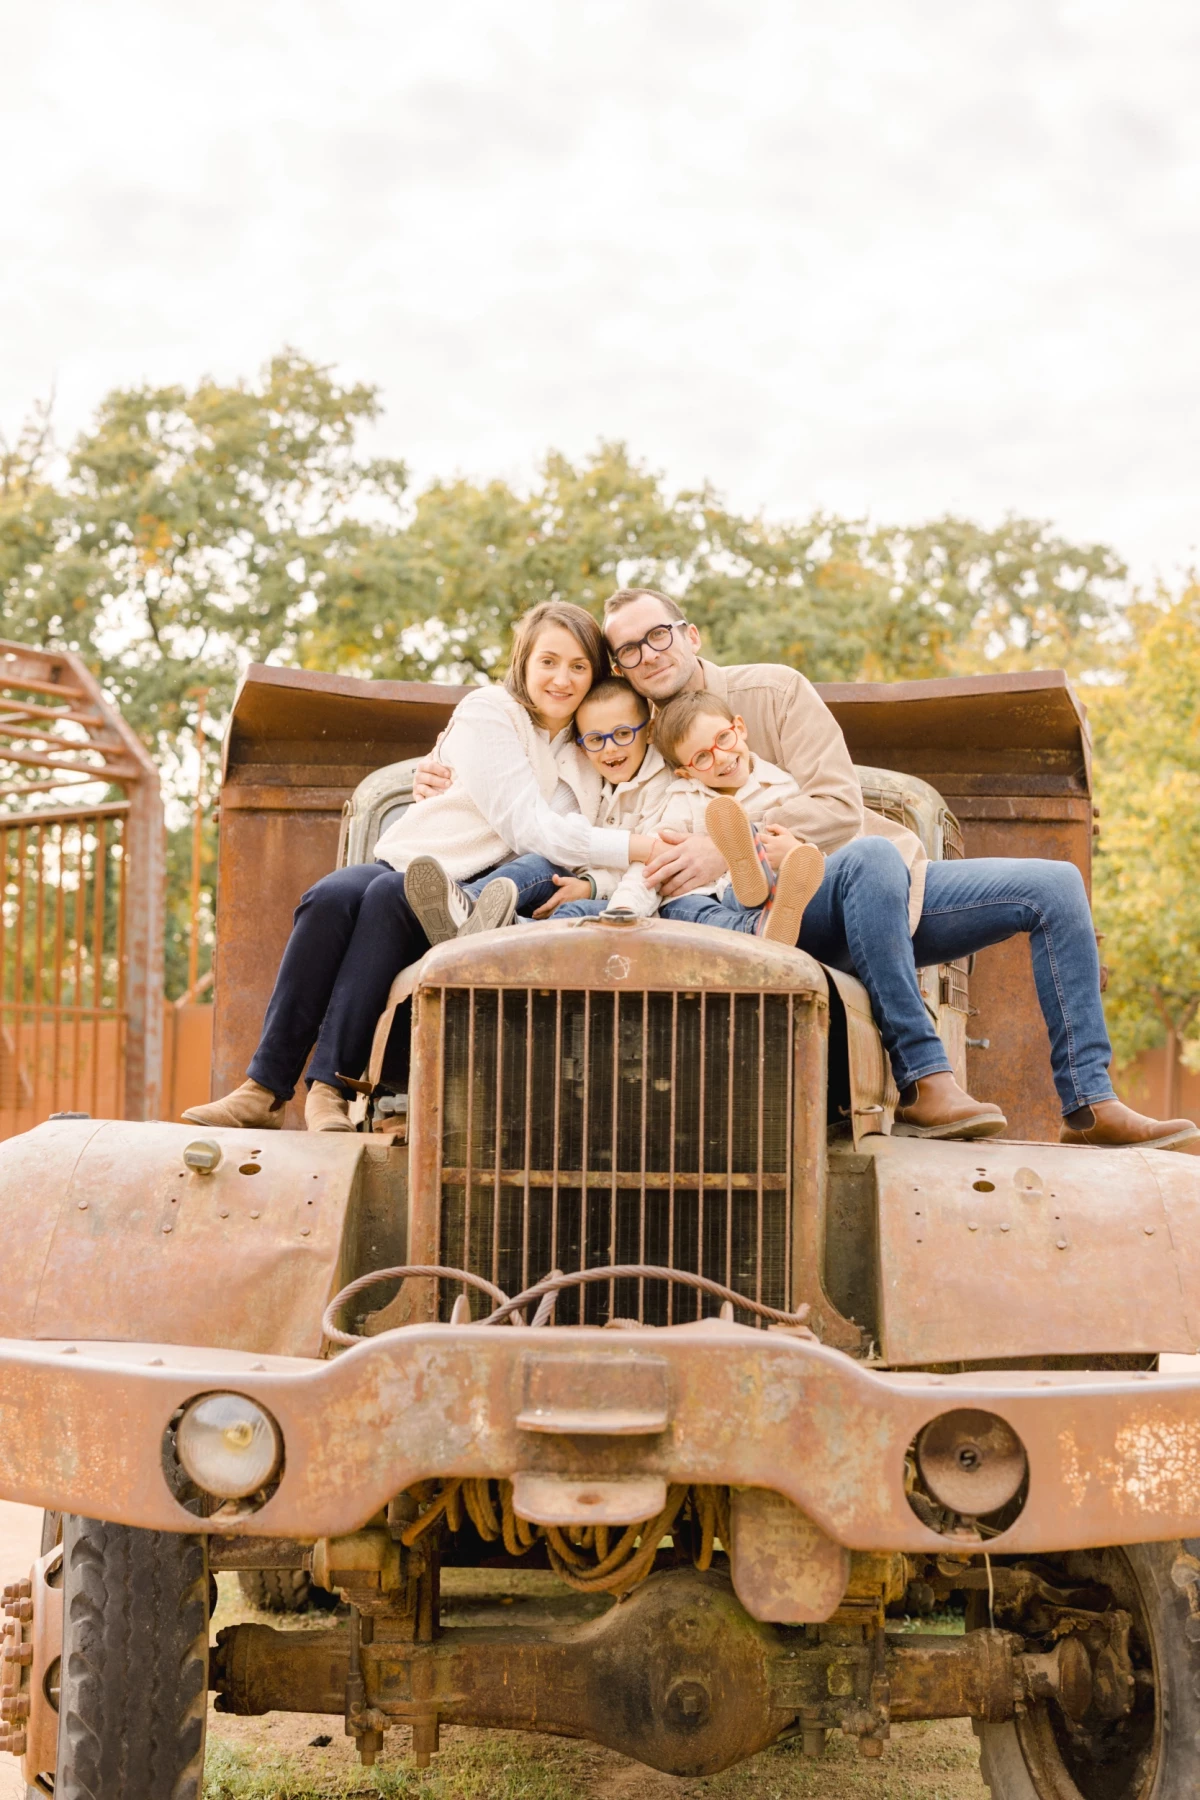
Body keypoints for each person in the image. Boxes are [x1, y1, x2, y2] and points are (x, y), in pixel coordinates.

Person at [414, 586, 1198, 1150]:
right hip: (723, 913)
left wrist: (730, 841)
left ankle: (1089, 1101)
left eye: (657, 637)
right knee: (826, 875)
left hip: (864, 888)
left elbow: (838, 801)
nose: (644, 655)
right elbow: (557, 785)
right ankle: (924, 1077)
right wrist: (437, 766)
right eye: (625, 649)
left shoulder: (773, 692)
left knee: (1042, 884)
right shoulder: (625, 731)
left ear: (689, 635)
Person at [184, 602, 657, 1134]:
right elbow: (530, 824)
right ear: (524, 660)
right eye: (549, 660)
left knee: (393, 895)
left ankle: (328, 1091)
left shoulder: (589, 749)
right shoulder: (490, 712)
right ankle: (263, 1089)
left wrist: (596, 873)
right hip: (419, 862)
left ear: (595, 674)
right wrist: (638, 845)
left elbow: (567, 844)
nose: (562, 678)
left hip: (486, 889)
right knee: (331, 895)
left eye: (578, 666)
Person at [405, 677, 673, 942]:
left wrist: (592, 887)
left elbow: (653, 872)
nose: (610, 748)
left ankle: (516, 935)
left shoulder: (665, 786)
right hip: (578, 881)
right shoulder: (592, 773)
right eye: (595, 739)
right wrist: (436, 757)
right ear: (582, 745)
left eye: (623, 734)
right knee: (536, 863)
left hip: (628, 902)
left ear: (648, 730)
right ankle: (466, 907)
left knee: (574, 911)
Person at [556, 690, 828, 948]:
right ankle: (758, 928)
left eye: (723, 739)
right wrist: (624, 908)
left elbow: (811, 860)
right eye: (701, 757)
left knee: (767, 879)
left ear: (740, 728)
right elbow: (651, 867)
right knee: (690, 913)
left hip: (765, 893)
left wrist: (799, 851)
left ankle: (757, 887)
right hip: (695, 896)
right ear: (686, 772)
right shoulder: (681, 801)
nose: (721, 759)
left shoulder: (782, 789)